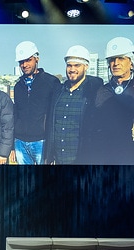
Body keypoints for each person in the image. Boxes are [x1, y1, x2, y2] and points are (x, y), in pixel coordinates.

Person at [44, 45, 103, 165]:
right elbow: (52, 125)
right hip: (59, 159)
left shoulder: (93, 92)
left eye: (77, 65)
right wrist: (49, 155)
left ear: (86, 66)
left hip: (83, 158)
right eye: (69, 65)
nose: (72, 69)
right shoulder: (58, 92)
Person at [85, 37, 134, 165]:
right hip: (103, 153)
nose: (116, 63)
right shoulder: (101, 90)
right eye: (112, 59)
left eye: (121, 58)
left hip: (128, 153)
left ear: (131, 62)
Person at [12, 41, 60, 165]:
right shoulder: (18, 86)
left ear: (37, 59)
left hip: (41, 142)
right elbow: (15, 114)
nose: (24, 64)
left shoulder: (51, 83)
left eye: (28, 60)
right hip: (20, 142)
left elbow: (55, 116)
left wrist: (52, 146)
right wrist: (13, 143)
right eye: (21, 62)